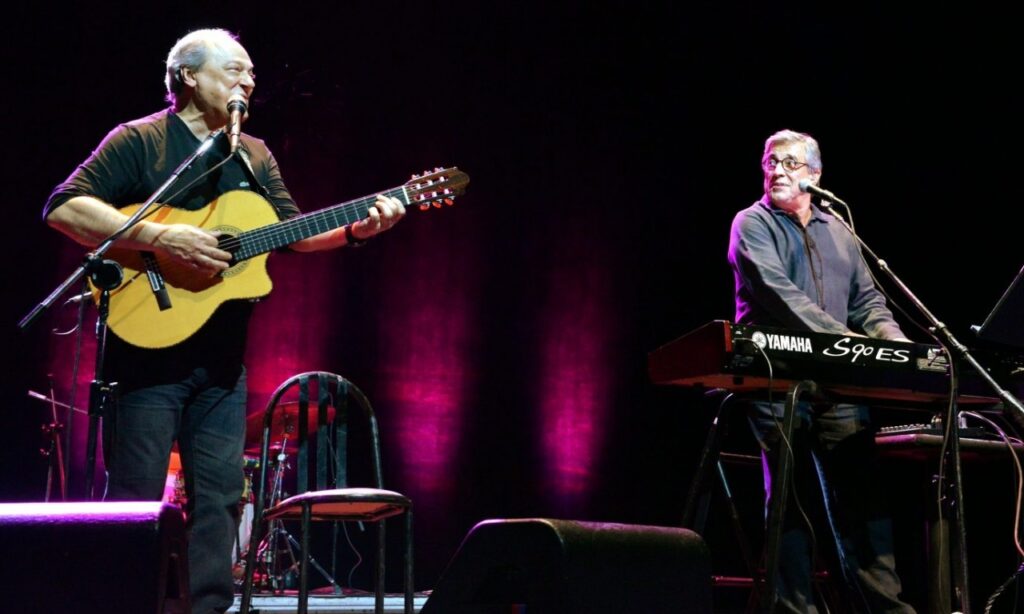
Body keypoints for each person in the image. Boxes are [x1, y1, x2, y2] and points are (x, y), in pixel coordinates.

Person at [43, 28, 405, 614]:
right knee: (136, 498)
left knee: (220, 499)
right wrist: (161, 236)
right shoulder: (140, 140)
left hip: (222, 363)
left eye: (252, 73)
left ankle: (209, 607)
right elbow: (64, 205)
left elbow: (294, 231)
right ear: (188, 76)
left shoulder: (255, 153)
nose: (249, 81)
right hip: (144, 355)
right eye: (235, 69)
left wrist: (358, 230)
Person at [727, 129, 916, 613]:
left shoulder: (840, 231)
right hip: (777, 378)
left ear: (814, 175)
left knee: (864, 502)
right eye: (770, 162)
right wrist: (841, 340)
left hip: (838, 382)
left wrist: (898, 350)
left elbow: (869, 301)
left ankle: (886, 608)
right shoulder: (751, 224)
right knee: (791, 504)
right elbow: (778, 294)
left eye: (789, 163)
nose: (776, 171)